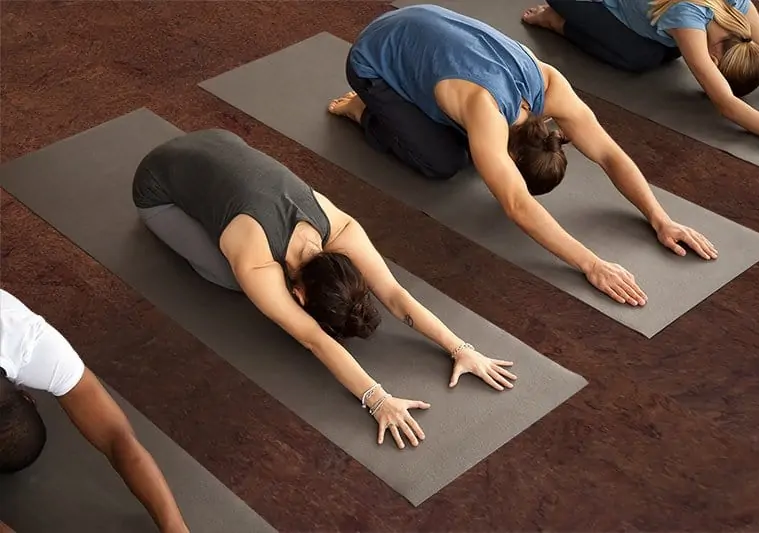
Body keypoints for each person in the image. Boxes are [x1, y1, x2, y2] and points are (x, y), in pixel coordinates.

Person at [131, 128, 517, 450]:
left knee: (245, 262)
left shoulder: (340, 226)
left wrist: (461, 349)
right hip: (156, 187)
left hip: (217, 139)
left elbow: (397, 296)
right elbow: (314, 339)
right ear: (300, 296)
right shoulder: (255, 262)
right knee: (230, 279)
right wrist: (377, 400)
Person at [328, 4, 718, 308]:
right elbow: (516, 204)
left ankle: (418, 100)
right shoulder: (486, 112)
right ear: (513, 156)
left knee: (470, 148)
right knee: (443, 163)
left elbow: (610, 155)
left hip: (422, 21)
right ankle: (362, 111)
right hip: (371, 56)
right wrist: (591, 264)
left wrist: (661, 218)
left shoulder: (551, 88)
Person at [0, 289, 189, 533]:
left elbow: (114, 436)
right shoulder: (25, 337)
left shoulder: (26, 338)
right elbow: (118, 439)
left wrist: (174, 527)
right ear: (28, 397)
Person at [521, 0, 759, 156]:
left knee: (661, 53)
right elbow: (725, 103)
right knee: (641, 56)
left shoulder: (736, 6)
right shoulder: (687, 17)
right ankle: (554, 19)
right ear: (714, 62)